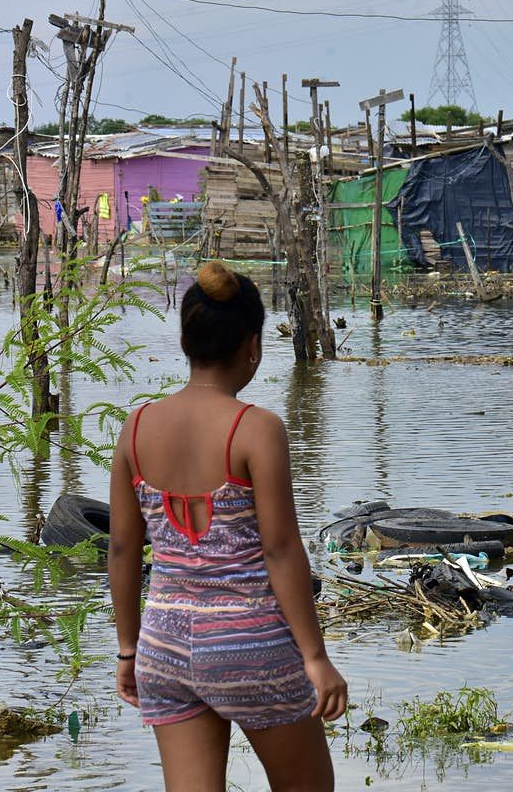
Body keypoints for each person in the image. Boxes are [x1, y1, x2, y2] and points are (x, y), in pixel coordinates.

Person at [108, 261, 347, 792]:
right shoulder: (256, 429)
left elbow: (123, 549)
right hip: (249, 640)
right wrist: (314, 657)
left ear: (186, 340)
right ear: (253, 345)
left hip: (163, 646)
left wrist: (128, 651)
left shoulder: (137, 426)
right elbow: (281, 551)